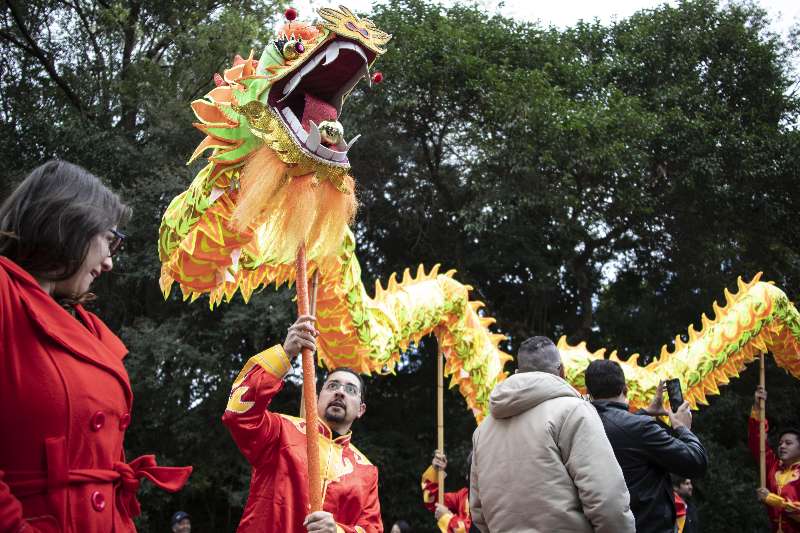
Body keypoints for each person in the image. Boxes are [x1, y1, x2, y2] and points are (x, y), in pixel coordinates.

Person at [0, 160, 192, 533]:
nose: (108, 263)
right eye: (109, 240)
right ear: (70, 222)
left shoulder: (90, 329)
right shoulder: (6, 294)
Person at [222, 315, 381, 532]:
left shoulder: (367, 470)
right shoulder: (281, 430)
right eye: (332, 385)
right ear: (315, 398)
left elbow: (371, 529)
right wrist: (285, 353)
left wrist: (337, 531)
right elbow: (238, 413)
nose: (340, 392)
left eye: (350, 390)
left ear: (361, 409)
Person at [470, 336, 635, 533]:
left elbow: (478, 513)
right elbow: (607, 499)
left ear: (517, 373)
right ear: (562, 370)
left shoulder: (483, 430)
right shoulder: (573, 411)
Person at [585, 360, 707, 533]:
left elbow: (616, 425)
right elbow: (696, 462)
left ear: (589, 392)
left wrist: (645, 412)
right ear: (625, 389)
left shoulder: (581, 423)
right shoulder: (640, 428)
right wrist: (682, 427)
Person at [750, 386, 800, 533]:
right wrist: (758, 407)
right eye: (780, 443)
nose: (782, 446)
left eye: (788, 443)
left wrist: (772, 499)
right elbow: (757, 442)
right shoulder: (773, 467)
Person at [421, 450, 471, 532]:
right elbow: (433, 501)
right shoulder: (464, 495)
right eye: (468, 472)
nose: (466, 477)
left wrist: (447, 517)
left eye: (470, 472)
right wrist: (435, 471)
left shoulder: (492, 499)